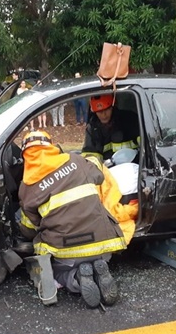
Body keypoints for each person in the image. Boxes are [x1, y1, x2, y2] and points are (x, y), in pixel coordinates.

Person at [18, 130, 127, 308]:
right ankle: (100, 266)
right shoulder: (76, 161)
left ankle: (76, 278)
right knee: (96, 254)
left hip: (66, 251)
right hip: (101, 243)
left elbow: (29, 228)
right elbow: (99, 175)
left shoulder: (26, 188)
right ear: (52, 147)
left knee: (57, 270)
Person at [82, 94, 140, 162]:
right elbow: (89, 158)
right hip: (107, 170)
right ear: (94, 112)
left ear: (112, 107)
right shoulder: (92, 129)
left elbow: (146, 145)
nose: (104, 115)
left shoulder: (129, 120)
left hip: (133, 167)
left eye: (106, 109)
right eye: (99, 112)